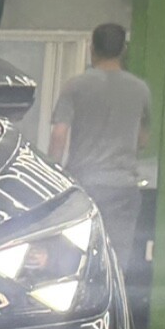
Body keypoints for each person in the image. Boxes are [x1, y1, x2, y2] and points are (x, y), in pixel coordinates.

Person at [49, 22, 152, 255]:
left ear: (92, 49)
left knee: (77, 253)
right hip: (123, 187)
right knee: (116, 257)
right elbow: (143, 140)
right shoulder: (140, 90)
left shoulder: (75, 86)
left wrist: (53, 176)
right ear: (123, 50)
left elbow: (59, 135)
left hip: (84, 185)